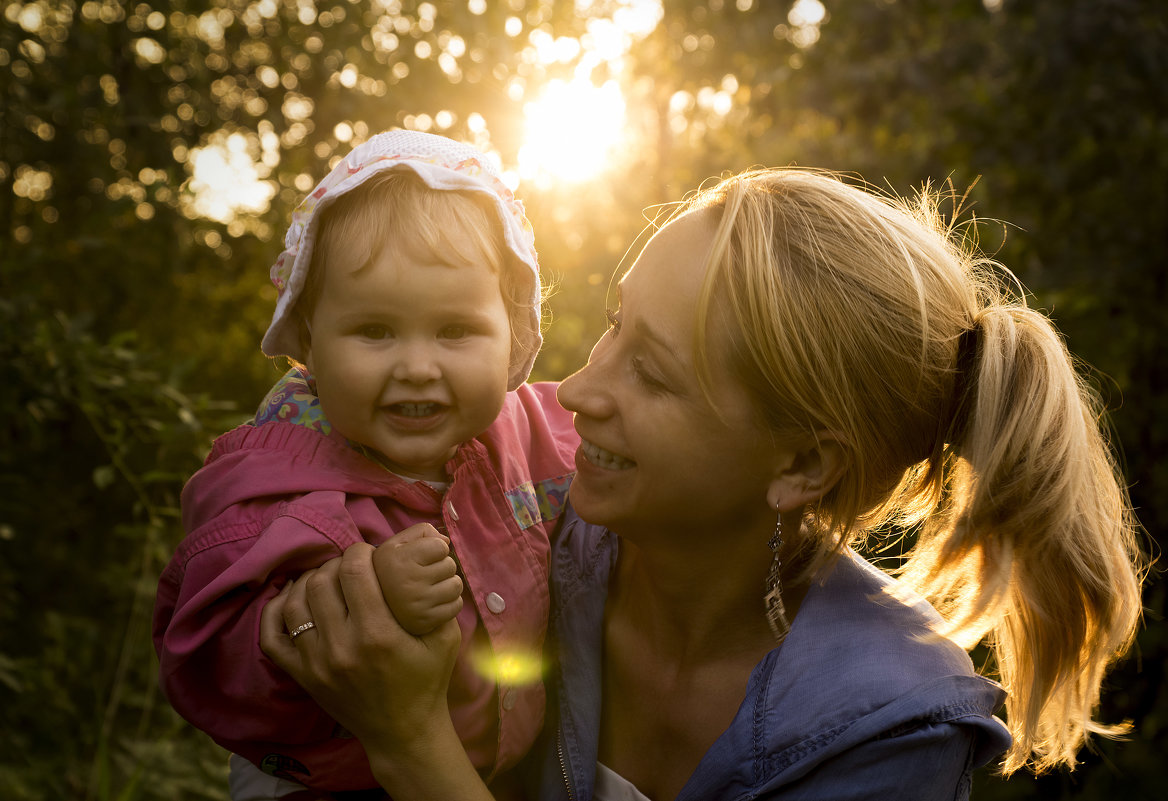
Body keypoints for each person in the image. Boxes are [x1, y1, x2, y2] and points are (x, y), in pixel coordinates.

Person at [259, 167, 1146, 800]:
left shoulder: (890, 728)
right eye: (613, 327)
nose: (576, 390)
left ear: (801, 465)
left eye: (651, 372)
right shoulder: (531, 530)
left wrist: (410, 740)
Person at [152, 131, 579, 799]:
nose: (416, 366)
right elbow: (212, 658)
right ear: (309, 343)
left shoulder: (524, 429)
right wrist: (365, 593)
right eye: (375, 330)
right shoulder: (276, 484)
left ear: (514, 335)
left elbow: (620, 445)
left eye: (455, 330)